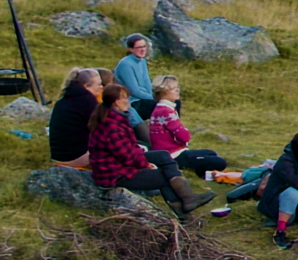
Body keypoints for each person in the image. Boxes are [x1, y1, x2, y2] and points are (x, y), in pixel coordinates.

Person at [89, 82, 211, 214]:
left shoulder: (116, 119)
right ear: (114, 102)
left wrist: (142, 154)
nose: (127, 101)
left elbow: (129, 147)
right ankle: (185, 215)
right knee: (164, 177)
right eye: (123, 97)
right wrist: (145, 164)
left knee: (163, 155)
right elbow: (127, 156)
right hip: (114, 174)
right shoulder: (111, 126)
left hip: (119, 164)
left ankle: (188, 198)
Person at [146, 76, 224, 175]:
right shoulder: (166, 111)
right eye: (174, 89)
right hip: (173, 155)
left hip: (171, 152)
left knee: (210, 153)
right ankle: (197, 172)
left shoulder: (161, 108)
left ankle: (202, 173)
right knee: (220, 162)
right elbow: (184, 136)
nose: (177, 91)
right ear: (164, 92)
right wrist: (185, 131)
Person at [48, 67, 100, 167]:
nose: (101, 87)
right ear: (86, 86)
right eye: (98, 84)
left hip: (57, 156)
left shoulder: (64, 99)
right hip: (76, 157)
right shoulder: (88, 100)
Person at [112, 34, 156, 134]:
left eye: (144, 46)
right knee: (159, 105)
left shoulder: (142, 61)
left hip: (144, 99)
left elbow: (147, 82)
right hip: (132, 102)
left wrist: (154, 96)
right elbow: (134, 91)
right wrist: (153, 99)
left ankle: (172, 128)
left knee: (172, 102)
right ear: (131, 49)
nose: (142, 50)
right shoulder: (125, 64)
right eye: (139, 47)